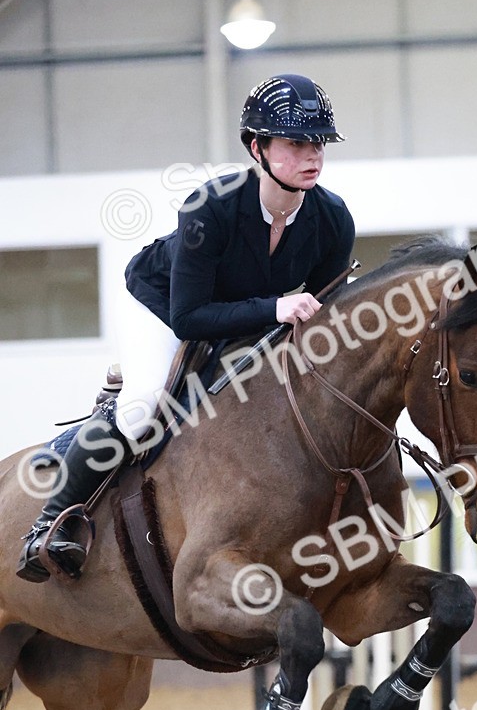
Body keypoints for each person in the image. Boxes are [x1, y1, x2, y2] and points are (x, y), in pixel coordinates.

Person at [18, 73, 355, 583]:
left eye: (319, 144)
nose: (312, 155)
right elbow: (189, 319)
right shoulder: (210, 207)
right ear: (256, 148)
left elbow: (320, 315)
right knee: (144, 407)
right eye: (296, 143)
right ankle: (48, 526)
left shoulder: (332, 220)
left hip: (244, 316)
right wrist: (276, 308)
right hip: (162, 306)